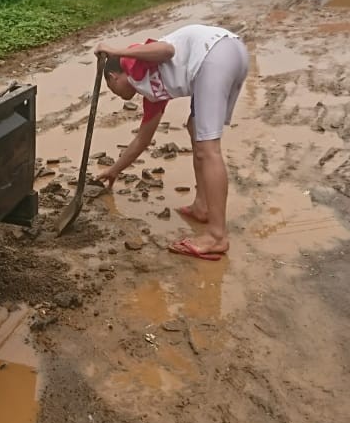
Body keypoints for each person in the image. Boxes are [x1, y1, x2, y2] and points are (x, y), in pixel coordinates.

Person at [95, 23, 249, 260]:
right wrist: (114, 170)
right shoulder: (150, 92)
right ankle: (202, 206)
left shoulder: (131, 63)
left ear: (113, 76)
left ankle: (217, 236)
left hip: (215, 54)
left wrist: (117, 52)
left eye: (110, 87)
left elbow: (167, 51)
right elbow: (142, 140)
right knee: (195, 129)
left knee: (209, 149)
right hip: (231, 53)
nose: (114, 93)